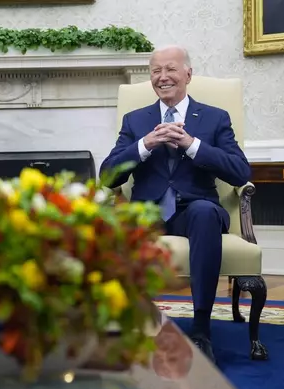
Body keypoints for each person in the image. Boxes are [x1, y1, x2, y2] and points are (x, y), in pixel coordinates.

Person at [100, 45, 250, 362]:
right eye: (156, 71)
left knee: (205, 211)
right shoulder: (136, 121)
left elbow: (239, 172)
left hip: (194, 213)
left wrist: (191, 144)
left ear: (187, 74)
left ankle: (201, 330)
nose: (163, 77)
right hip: (147, 214)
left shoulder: (213, 118)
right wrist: (145, 145)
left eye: (171, 69)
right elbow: (108, 176)